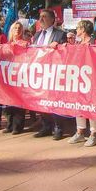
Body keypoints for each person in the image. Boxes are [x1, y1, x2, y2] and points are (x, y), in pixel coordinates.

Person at [32, 9, 67, 140]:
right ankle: (46, 126)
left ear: (53, 19)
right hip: (39, 72)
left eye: (44, 17)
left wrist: (59, 45)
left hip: (54, 73)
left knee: (55, 101)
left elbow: (67, 50)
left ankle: (58, 128)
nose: (41, 19)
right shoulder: (36, 35)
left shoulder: (60, 34)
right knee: (40, 100)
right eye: (40, 17)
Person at [67, 20, 96, 147]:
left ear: (84, 29)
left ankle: (93, 134)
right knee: (79, 105)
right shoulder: (77, 43)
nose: (76, 30)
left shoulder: (93, 42)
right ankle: (80, 132)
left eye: (78, 28)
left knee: (91, 105)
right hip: (79, 77)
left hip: (92, 78)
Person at [3, 21, 29, 135]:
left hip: (20, 75)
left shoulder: (26, 43)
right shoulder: (6, 44)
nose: (17, 30)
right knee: (8, 101)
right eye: (15, 28)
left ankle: (17, 126)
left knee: (18, 101)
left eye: (19, 28)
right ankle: (9, 124)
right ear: (11, 30)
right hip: (8, 75)